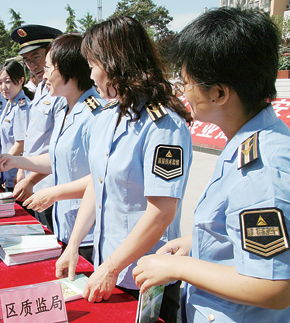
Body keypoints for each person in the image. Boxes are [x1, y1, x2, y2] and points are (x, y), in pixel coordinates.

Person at [132, 7, 290, 322]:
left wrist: (178, 268)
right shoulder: (249, 140)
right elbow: (243, 231)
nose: (183, 92)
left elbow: (274, 287)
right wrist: (200, 243)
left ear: (219, 93)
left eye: (188, 82)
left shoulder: (260, 169)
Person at [55, 17, 192, 322]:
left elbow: (161, 212)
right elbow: (97, 185)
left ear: (114, 63)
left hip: (146, 276)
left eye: (93, 64)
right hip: (106, 269)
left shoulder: (163, 126)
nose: (90, 75)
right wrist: (74, 246)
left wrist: (112, 267)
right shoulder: (105, 117)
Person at [0, 34, 104, 262]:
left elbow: (102, 177)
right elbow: (55, 158)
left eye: (48, 67)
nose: (43, 75)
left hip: (91, 231)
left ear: (67, 70)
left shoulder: (96, 114)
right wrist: (16, 161)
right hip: (66, 222)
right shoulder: (65, 108)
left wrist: (53, 193)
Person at [10, 24, 66, 231]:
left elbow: (57, 149)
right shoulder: (42, 88)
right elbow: (34, 138)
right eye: (27, 60)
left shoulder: (60, 93)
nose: (32, 64)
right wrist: (23, 171)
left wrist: (30, 179)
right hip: (34, 181)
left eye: (36, 57)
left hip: (51, 184)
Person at [0, 60, 32, 191]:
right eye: (0, 82)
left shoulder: (22, 107)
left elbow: (21, 144)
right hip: (7, 171)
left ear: (20, 80)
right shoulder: (9, 103)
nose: (3, 87)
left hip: (17, 174)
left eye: (8, 82)